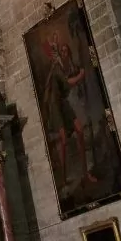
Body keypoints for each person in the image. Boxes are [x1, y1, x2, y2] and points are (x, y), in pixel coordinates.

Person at [42, 35, 96, 190]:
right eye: (54, 50)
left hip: (63, 103)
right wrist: (80, 75)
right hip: (55, 107)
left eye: (57, 50)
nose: (57, 52)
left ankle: (85, 173)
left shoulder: (60, 65)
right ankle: (63, 179)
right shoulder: (54, 67)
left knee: (79, 130)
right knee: (64, 141)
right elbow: (67, 83)